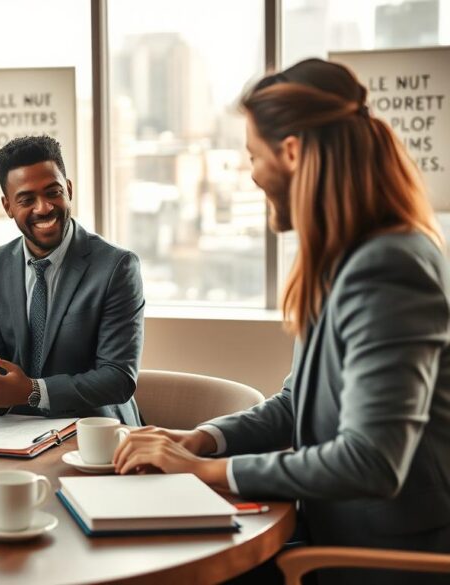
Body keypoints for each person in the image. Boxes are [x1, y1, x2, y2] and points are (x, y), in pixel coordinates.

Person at [113, 59, 450, 585]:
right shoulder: (342, 257)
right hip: (327, 531)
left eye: (253, 155)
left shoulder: (389, 267)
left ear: (291, 152)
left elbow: (372, 461)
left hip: (380, 558)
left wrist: (208, 473)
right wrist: (202, 440)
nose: (250, 173)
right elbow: (298, 404)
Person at [0, 136, 145, 424]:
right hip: (14, 433)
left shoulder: (117, 268)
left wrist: (33, 391)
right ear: (8, 206)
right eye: (26, 199)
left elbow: (118, 378)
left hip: (96, 430)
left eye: (53, 192)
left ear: (69, 189)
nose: (44, 207)